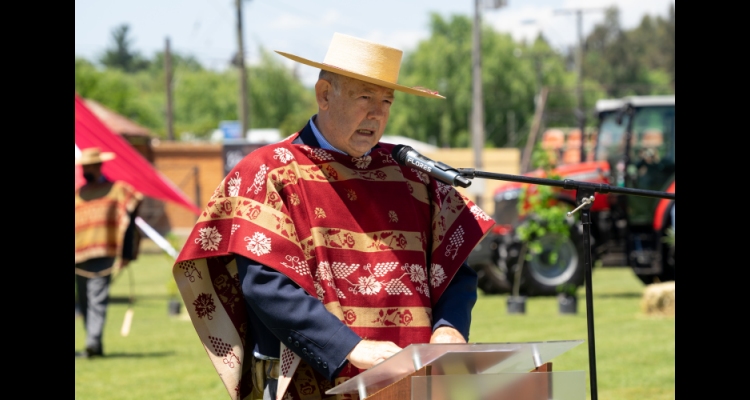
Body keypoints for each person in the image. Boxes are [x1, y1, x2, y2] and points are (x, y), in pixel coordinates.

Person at [173, 32, 495, 400]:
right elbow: (264, 284)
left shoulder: (414, 175)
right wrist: (349, 349)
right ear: (324, 94)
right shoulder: (268, 171)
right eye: (364, 98)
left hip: (414, 383)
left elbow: (455, 269)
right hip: (311, 381)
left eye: (386, 101)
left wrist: (449, 327)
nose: (377, 113)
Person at [75, 147, 143, 358]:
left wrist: (126, 253)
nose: (86, 169)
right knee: (84, 300)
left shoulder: (117, 190)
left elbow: (131, 212)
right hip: (79, 256)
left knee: (97, 297)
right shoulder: (79, 194)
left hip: (104, 252)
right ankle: (95, 345)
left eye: (89, 166)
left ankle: (92, 342)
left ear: (99, 166)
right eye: (84, 166)